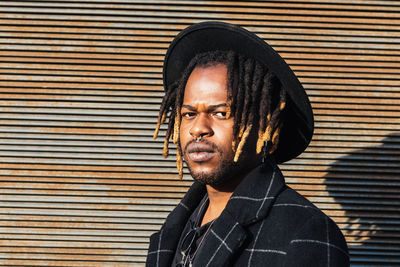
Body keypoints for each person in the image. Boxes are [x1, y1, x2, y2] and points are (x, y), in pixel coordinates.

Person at [146, 21, 349, 267]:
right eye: (189, 114)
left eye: (221, 113)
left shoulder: (305, 232)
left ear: (263, 125)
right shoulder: (178, 226)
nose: (198, 128)